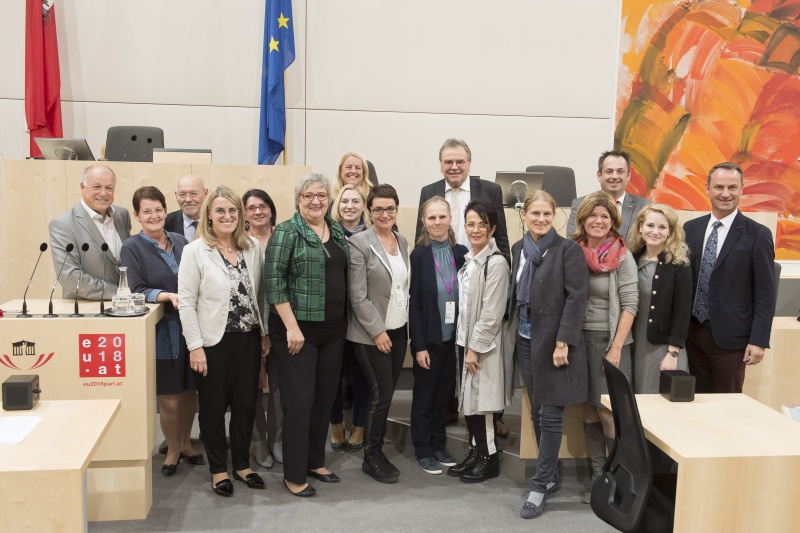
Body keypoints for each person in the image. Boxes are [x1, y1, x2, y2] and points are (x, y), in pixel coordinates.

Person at [178, 186, 268, 497]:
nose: (227, 216)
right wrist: (195, 346)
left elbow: (260, 296)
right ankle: (219, 469)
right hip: (213, 344)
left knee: (245, 406)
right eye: (220, 211)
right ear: (209, 216)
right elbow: (187, 303)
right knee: (214, 410)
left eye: (232, 211)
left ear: (240, 215)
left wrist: (265, 334)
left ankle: (242, 465)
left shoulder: (253, 247)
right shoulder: (195, 251)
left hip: (249, 340)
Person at [416, 138, 510, 437]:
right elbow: (424, 236)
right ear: (440, 164)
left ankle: (490, 415)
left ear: (469, 163)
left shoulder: (491, 191)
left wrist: (500, 278)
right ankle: (447, 410)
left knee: (480, 346)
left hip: (483, 272)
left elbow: (503, 237)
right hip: (449, 266)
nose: (454, 166)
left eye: (460, 161)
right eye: (448, 162)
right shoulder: (429, 192)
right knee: (449, 344)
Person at [265, 173, 349, 497]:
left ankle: (315, 460)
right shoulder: (286, 232)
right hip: (296, 332)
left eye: (322, 195)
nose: (316, 201)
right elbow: (274, 283)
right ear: (298, 199)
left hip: (333, 331)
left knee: (323, 400)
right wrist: (292, 326)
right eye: (308, 196)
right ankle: (294, 474)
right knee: (299, 402)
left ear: (329, 199)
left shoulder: (337, 230)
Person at [511, 191, 589, 518]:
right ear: (524, 215)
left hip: (554, 342)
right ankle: (552, 471)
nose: (541, 219)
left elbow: (576, 298)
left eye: (547, 214)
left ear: (555, 215)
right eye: (535, 214)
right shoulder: (518, 249)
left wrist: (563, 342)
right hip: (526, 339)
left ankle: (540, 484)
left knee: (552, 413)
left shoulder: (568, 250)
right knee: (536, 410)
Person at [120, 186, 204, 477]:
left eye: (158, 209)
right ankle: (171, 449)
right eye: (147, 211)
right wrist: (167, 296)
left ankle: (187, 444)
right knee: (170, 396)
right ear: (137, 216)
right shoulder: (132, 246)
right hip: (164, 328)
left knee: (191, 390)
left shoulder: (181, 241)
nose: (154, 216)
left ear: (165, 211)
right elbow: (137, 289)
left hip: (193, 326)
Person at [684, 162, 776, 393]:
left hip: (731, 341)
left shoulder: (758, 234)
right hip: (692, 336)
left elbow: (765, 294)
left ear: (742, 188)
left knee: (727, 405)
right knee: (696, 402)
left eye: (732, 187)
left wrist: (758, 340)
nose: (725, 194)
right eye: (719, 187)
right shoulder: (690, 229)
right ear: (707, 188)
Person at [572, 191, 637, 503]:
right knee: (588, 411)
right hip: (578, 340)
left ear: (613, 222)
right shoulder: (572, 252)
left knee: (608, 413)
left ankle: (618, 478)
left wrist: (615, 347)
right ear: (582, 220)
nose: (598, 221)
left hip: (609, 340)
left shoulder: (622, 255)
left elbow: (630, 305)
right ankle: (599, 477)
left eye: (605, 217)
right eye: (593, 216)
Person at [348, 184, 410, 483]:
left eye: (390, 208)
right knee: (381, 395)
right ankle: (371, 456)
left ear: (396, 210)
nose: (385, 214)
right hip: (371, 334)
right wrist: (377, 331)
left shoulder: (402, 240)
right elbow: (357, 296)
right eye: (378, 209)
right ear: (368, 211)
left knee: (387, 394)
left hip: (399, 330)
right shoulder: (359, 243)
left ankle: (376, 450)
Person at [451, 199, 510, 483]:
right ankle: (475, 453)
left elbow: (491, 314)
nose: (475, 230)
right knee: (470, 402)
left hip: (483, 347)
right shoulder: (469, 262)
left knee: (483, 404)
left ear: (493, 228)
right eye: (470, 224)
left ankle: (489, 458)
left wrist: (474, 349)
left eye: (482, 225)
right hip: (465, 342)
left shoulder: (496, 264)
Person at [409, 196, 468, 475]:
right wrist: (418, 345)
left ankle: (437, 443)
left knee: (443, 396)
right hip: (430, 340)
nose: (437, 222)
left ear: (450, 219)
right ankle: (422, 448)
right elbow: (416, 303)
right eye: (431, 218)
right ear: (424, 222)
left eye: (442, 217)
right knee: (425, 396)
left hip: (454, 340)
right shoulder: (419, 255)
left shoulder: (462, 253)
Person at [627, 204, 692, 393]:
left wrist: (672, 353)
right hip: (633, 342)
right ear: (640, 227)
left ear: (670, 231)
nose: (655, 231)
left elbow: (682, 312)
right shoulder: (631, 259)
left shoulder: (679, 264)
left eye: (662, 227)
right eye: (650, 225)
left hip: (661, 346)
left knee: (656, 401)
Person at [328, 184, 371, 452]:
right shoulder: (327, 233)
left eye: (356, 201)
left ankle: (359, 424)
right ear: (337, 205)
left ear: (364, 206)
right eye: (344, 201)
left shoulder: (373, 234)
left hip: (363, 316)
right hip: (333, 315)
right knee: (333, 375)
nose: (350, 206)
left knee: (363, 375)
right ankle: (335, 424)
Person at [49, 164, 131, 299]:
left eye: (109, 188)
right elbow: (69, 276)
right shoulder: (63, 225)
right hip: (85, 309)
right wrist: (117, 292)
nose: (103, 193)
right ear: (82, 187)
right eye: (96, 187)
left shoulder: (121, 215)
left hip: (124, 307)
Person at [243, 189, 281, 468]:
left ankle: (277, 440)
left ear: (271, 209)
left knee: (279, 387)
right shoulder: (239, 242)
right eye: (251, 207)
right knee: (253, 385)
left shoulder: (285, 237)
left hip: (282, 325)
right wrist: (260, 331)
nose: (258, 211)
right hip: (249, 326)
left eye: (263, 206)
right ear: (244, 213)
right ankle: (258, 441)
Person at [566, 150, 650, 239]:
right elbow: (572, 242)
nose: (614, 176)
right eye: (609, 171)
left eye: (620, 171)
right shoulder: (580, 204)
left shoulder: (645, 207)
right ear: (599, 175)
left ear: (628, 176)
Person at [165, 175, 208, 241]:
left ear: (205, 193)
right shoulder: (166, 223)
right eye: (182, 194)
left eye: (194, 193)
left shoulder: (216, 221)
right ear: (176, 195)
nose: (188, 199)